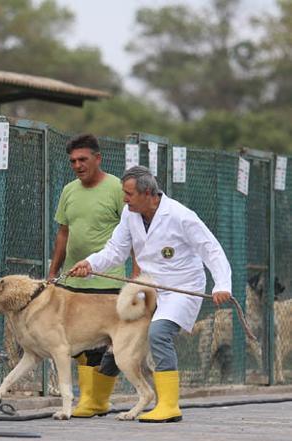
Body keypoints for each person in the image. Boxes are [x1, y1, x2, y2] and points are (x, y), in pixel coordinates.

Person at [69, 165, 232, 423]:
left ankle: (168, 404)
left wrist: (222, 284)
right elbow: (115, 250)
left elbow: (211, 249)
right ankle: (97, 400)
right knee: (118, 338)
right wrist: (91, 263)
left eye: (129, 194)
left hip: (182, 289)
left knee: (158, 333)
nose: (124, 199)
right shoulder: (130, 214)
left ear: (148, 193)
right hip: (149, 288)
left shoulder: (180, 215)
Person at [48, 133, 134, 418]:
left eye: (83, 159)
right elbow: (63, 233)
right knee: (77, 347)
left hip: (106, 282)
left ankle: (95, 400)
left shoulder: (116, 189)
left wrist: (136, 275)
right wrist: (53, 272)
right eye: (72, 161)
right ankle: (92, 401)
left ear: (98, 158)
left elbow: (133, 234)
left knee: (108, 347)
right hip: (72, 283)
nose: (77, 165)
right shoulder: (69, 191)